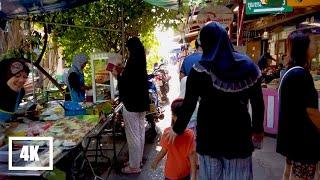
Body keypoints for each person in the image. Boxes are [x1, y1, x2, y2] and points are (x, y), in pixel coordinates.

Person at [166, 22, 264, 179]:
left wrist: (177, 129)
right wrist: (257, 131)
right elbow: (258, 103)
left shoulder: (199, 70)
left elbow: (189, 105)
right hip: (238, 138)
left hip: (209, 138)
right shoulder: (247, 66)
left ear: (204, 42)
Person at [276, 30, 320, 180]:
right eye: (313, 42)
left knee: (290, 175)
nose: (316, 45)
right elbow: (312, 112)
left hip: (293, 141)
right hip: (303, 143)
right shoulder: (301, 75)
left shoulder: (292, 71)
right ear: (304, 47)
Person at [114, 37, 149, 174]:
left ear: (131, 48)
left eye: (128, 49)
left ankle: (134, 166)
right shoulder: (140, 59)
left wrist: (117, 75)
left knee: (134, 135)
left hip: (132, 104)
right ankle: (137, 160)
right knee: (140, 133)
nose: (127, 52)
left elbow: (126, 83)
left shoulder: (133, 60)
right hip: (141, 102)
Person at [151, 99, 197, 180]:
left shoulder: (167, 132)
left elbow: (163, 151)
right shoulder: (190, 134)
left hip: (171, 172)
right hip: (185, 172)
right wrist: (194, 176)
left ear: (173, 115)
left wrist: (155, 162)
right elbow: (192, 155)